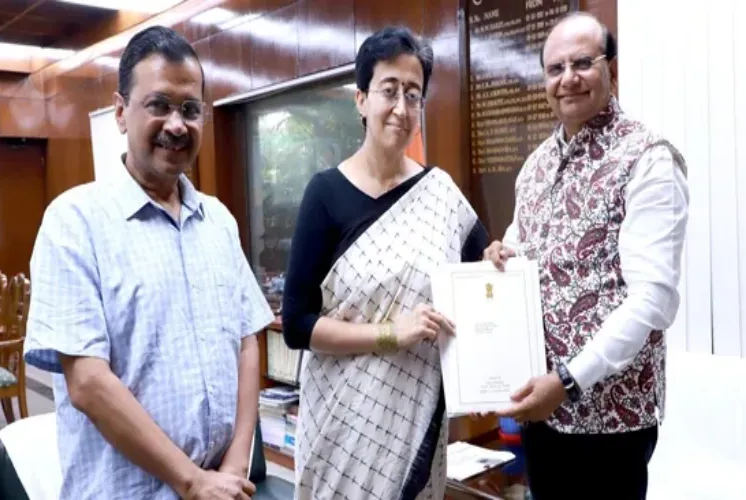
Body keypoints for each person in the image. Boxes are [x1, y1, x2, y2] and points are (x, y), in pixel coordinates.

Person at [24, 26, 274, 500]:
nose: (177, 124)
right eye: (158, 105)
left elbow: (246, 340)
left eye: (190, 109)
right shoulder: (74, 223)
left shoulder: (218, 220)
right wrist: (191, 480)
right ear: (121, 112)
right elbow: (88, 383)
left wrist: (237, 463)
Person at [484, 13, 689, 500]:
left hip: (611, 424)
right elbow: (521, 246)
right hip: (541, 409)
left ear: (611, 71)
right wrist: (502, 254)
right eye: (555, 69)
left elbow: (652, 300)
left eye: (583, 63)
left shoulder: (648, 158)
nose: (568, 78)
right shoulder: (535, 166)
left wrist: (570, 381)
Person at [282, 25, 490, 499]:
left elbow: (481, 285)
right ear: (361, 99)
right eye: (389, 91)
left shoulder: (440, 194)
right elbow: (297, 325)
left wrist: (497, 258)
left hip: (415, 426)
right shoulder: (325, 194)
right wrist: (390, 334)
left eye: (413, 94)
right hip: (342, 429)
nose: (401, 107)